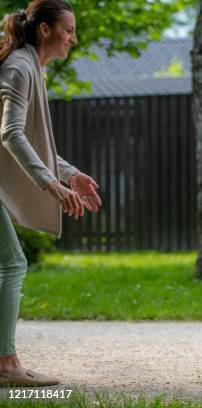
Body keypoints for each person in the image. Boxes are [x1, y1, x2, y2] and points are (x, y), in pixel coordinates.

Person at [0, 0, 101, 387]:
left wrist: (69, 174)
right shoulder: (19, 67)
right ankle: (6, 364)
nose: (74, 38)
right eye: (69, 30)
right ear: (45, 30)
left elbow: (33, 140)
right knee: (11, 265)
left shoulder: (30, 67)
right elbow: (10, 134)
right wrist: (50, 185)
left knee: (8, 265)